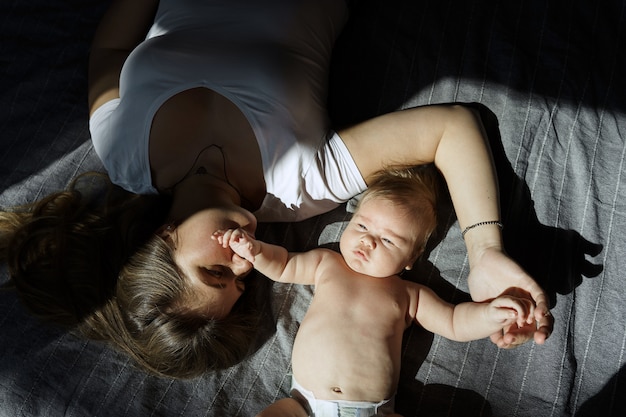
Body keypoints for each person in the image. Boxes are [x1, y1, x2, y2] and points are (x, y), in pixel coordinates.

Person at [0, 0, 552, 378]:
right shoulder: (299, 188)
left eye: (215, 271)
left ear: (160, 240)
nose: (244, 267)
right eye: (241, 286)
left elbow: (108, 54)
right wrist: (486, 254)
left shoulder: (119, 148)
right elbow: (450, 127)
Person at [213, 166, 535, 417]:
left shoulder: (410, 295)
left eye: (388, 240)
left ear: (411, 259)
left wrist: (491, 314)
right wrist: (254, 251)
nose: (368, 241)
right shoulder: (328, 264)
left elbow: (454, 321)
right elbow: (282, 265)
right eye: (362, 226)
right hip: (300, 405)